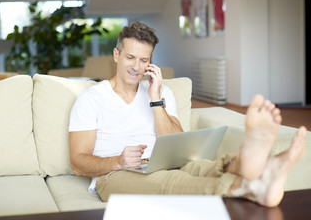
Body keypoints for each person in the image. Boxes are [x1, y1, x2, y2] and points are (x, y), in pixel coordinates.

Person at [68, 21, 307, 207]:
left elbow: (175, 141)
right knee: (169, 184)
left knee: (203, 167)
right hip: (114, 176)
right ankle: (250, 182)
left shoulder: (160, 93)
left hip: (164, 163)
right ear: (117, 55)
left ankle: (253, 165)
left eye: (144, 60)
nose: (137, 67)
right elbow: (78, 162)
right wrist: (117, 161)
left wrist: (155, 100)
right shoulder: (91, 99)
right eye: (130, 57)